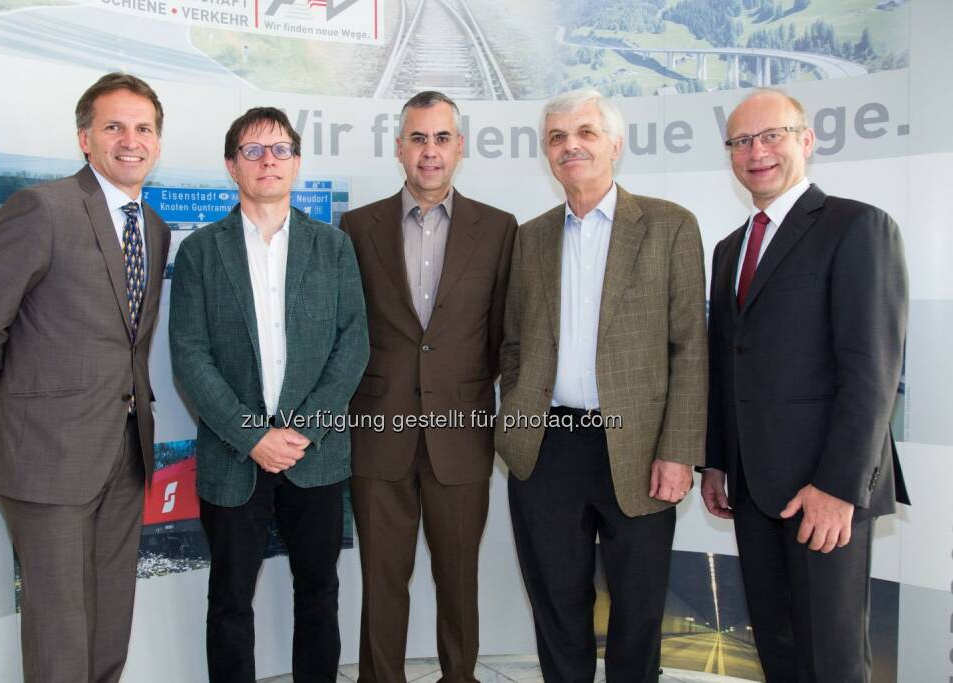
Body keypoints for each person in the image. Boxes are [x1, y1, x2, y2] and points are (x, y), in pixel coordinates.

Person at [0, 72, 170, 682]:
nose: (131, 140)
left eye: (144, 128)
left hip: (125, 455)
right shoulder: (42, 209)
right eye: (114, 126)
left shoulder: (153, 228)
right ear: (84, 138)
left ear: (157, 142)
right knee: (58, 627)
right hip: (46, 459)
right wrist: (15, 417)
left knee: (108, 620)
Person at [495, 88, 707, 683]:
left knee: (638, 610)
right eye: (558, 138)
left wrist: (679, 451)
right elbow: (513, 345)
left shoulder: (669, 227)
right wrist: (516, 414)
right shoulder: (531, 237)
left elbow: (690, 346)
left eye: (585, 133)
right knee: (557, 607)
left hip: (639, 451)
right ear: (547, 153)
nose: (571, 146)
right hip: (546, 446)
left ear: (614, 143)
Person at [702, 88, 909, 682]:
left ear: (806, 140)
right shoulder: (728, 250)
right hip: (752, 489)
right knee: (780, 650)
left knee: (832, 659)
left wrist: (839, 487)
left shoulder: (857, 226)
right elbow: (728, 362)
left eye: (771, 136)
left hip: (825, 492)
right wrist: (717, 462)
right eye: (741, 141)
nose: (756, 152)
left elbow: (873, 372)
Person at [168, 106, 369, 683]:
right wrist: (253, 435)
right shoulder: (202, 252)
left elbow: (352, 344)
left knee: (319, 591)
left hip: (317, 454)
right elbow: (190, 354)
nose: (268, 161)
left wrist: (301, 431)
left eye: (280, 149)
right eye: (253, 151)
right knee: (230, 600)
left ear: (297, 163)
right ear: (232, 166)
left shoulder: (332, 247)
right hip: (235, 455)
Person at [339, 90, 517, 683]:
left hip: (461, 435)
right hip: (378, 433)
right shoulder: (357, 227)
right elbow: (349, 328)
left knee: (458, 578)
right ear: (399, 148)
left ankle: (458, 676)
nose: (430, 151)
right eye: (418, 138)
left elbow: (501, 335)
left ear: (460, 147)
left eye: (442, 138)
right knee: (382, 579)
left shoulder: (498, 229)